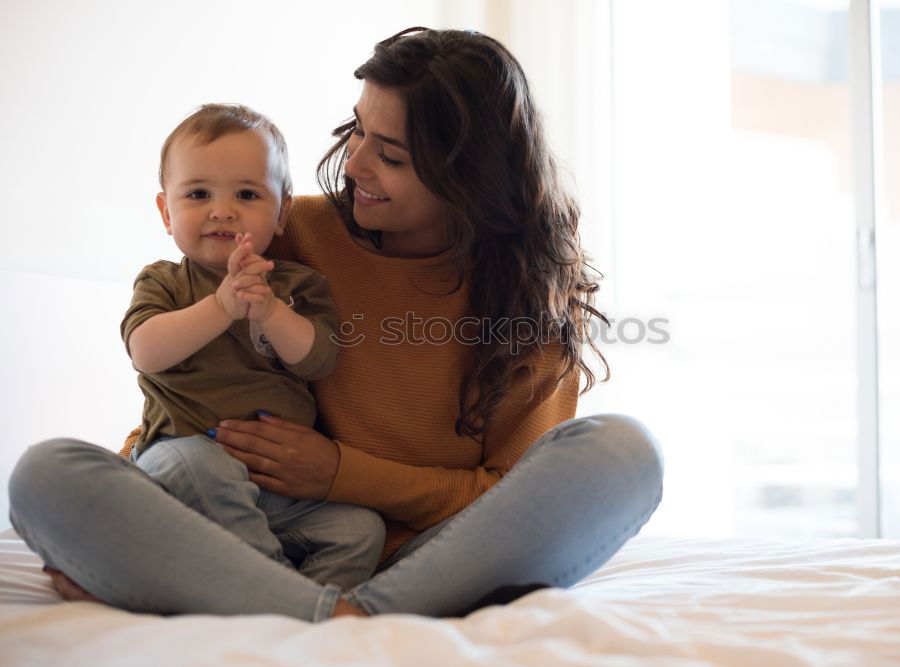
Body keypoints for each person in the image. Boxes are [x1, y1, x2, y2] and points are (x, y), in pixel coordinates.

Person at [8, 27, 664, 622]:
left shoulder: (533, 306)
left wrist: (339, 473)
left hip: (430, 562)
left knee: (624, 452)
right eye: (356, 131)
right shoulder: (287, 231)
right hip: (255, 537)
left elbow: (507, 496)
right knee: (46, 474)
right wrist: (127, 503)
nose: (353, 165)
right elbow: (198, 389)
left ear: (469, 178)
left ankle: (340, 611)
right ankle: (331, 618)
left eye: (393, 156)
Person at [117, 103, 385, 590]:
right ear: (165, 211)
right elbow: (146, 352)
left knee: (361, 530)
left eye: (246, 193)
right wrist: (221, 306)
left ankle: (288, 609)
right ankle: (278, 593)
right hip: (182, 458)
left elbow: (320, 359)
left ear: (283, 212)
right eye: (198, 193)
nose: (222, 209)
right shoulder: (164, 282)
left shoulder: (297, 285)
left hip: (273, 488)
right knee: (197, 467)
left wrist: (270, 312)